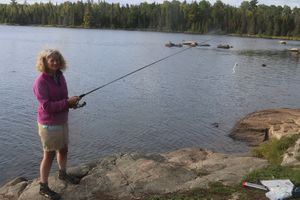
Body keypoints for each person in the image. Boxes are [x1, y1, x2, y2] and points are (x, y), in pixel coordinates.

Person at [33, 49, 80, 200]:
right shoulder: (40, 82)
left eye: (57, 60)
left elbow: (63, 98)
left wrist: (71, 103)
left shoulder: (60, 76)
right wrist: (66, 102)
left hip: (62, 120)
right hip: (48, 124)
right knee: (49, 154)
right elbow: (46, 106)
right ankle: (43, 186)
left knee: (64, 150)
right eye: (51, 60)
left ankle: (62, 174)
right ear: (44, 62)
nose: (55, 62)